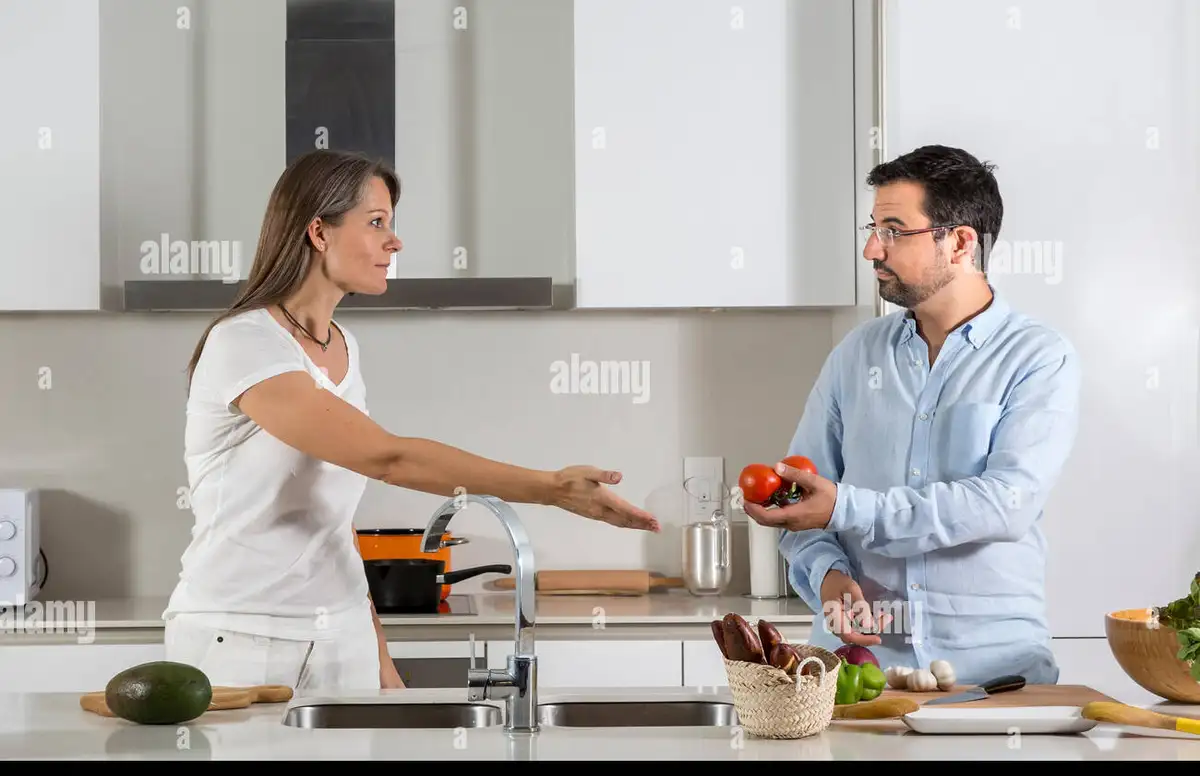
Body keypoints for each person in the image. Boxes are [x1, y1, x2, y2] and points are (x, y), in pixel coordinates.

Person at [162, 149, 660, 693]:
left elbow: (336, 529)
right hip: (239, 636)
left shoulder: (344, 347)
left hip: (341, 635)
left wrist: (380, 662)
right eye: (376, 223)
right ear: (319, 232)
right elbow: (388, 458)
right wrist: (551, 487)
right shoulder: (245, 342)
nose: (394, 242)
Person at [745, 145, 1080, 686]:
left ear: (961, 242)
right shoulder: (855, 355)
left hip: (992, 675)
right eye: (873, 227)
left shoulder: (1038, 357)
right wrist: (828, 576)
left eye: (895, 230)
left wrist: (846, 508)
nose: (872, 248)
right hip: (860, 672)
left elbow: (1004, 504)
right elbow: (800, 499)